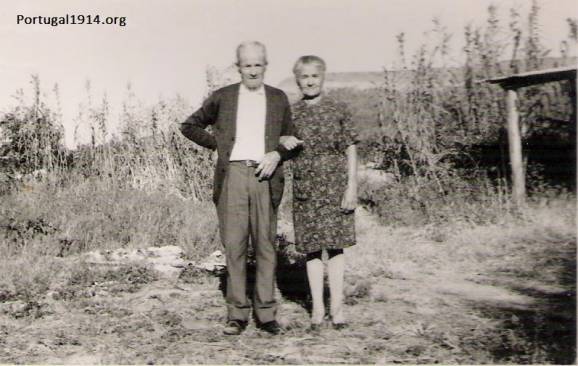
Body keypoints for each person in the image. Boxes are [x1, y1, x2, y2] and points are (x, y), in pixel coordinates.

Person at [179, 41, 297, 336]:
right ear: (238, 67)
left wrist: (277, 155)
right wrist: (219, 147)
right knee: (235, 247)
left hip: (265, 177)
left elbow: (292, 138)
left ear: (266, 66)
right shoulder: (223, 97)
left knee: (266, 246)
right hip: (232, 175)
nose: (253, 70)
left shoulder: (278, 98)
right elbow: (189, 125)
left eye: (258, 64)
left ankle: (267, 314)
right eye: (247, 65)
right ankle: (237, 314)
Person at [282, 55, 359, 331]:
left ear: (323, 77)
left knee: (336, 248)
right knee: (312, 251)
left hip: (335, 187)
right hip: (306, 188)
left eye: (315, 75)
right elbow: (278, 142)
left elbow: (350, 148)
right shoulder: (290, 113)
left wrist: (352, 186)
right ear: (298, 80)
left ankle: (337, 310)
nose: (310, 81)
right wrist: (282, 139)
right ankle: (317, 308)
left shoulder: (338, 109)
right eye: (304, 77)